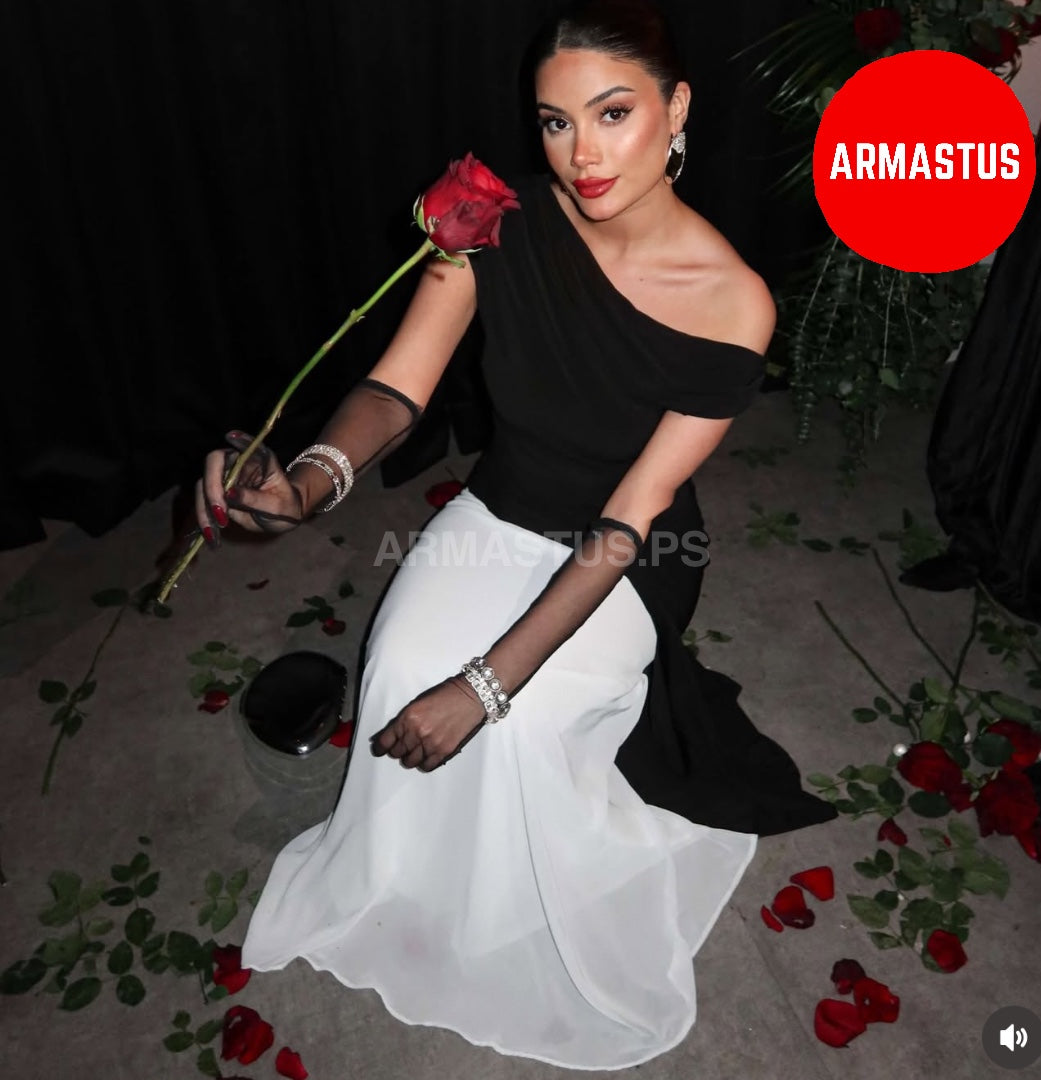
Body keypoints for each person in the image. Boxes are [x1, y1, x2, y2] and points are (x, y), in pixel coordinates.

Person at [196, 0, 836, 1068]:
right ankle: (414, 881)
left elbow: (629, 521)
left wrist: (488, 684)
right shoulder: (493, 223)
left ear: (678, 108)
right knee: (397, 668)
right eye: (555, 122)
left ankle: (531, 884)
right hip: (503, 504)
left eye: (614, 113)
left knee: (520, 721)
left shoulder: (734, 301)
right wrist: (305, 486)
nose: (582, 154)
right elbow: (398, 389)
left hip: (631, 554)